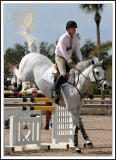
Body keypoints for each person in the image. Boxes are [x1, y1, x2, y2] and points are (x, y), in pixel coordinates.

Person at [52, 20, 83, 98]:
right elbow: (63, 52)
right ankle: (55, 89)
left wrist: (82, 61)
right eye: (73, 28)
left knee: (75, 73)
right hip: (60, 57)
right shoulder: (63, 38)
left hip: (68, 58)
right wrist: (70, 61)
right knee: (63, 74)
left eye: (75, 28)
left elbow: (78, 51)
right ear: (68, 29)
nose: (75, 30)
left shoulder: (76, 38)